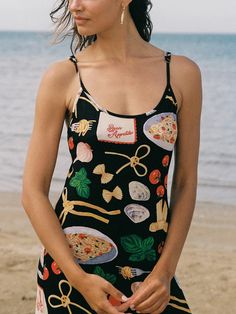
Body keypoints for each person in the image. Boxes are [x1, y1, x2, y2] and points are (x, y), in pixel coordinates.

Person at [22, 0, 202, 313]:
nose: (74, 6)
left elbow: (185, 183)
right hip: (69, 271)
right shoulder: (64, 76)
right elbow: (32, 191)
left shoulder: (182, 74)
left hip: (149, 273)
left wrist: (165, 272)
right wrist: (79, 279)